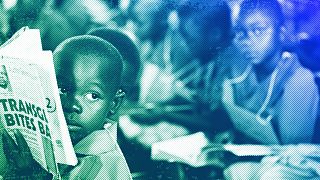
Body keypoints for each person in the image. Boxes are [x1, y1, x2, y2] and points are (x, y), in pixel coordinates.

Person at [2, 35, 132, 179]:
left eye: (92, 96)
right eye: (61, 90)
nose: (71, 106)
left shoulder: (106, 167)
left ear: (114, 104)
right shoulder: (57, 147)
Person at [222, 0, 319, 178]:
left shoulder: (300, 80)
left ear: (281, 33)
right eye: (241, 33)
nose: (247, 41)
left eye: (258, 30)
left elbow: (291, 144)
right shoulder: (243, 75)